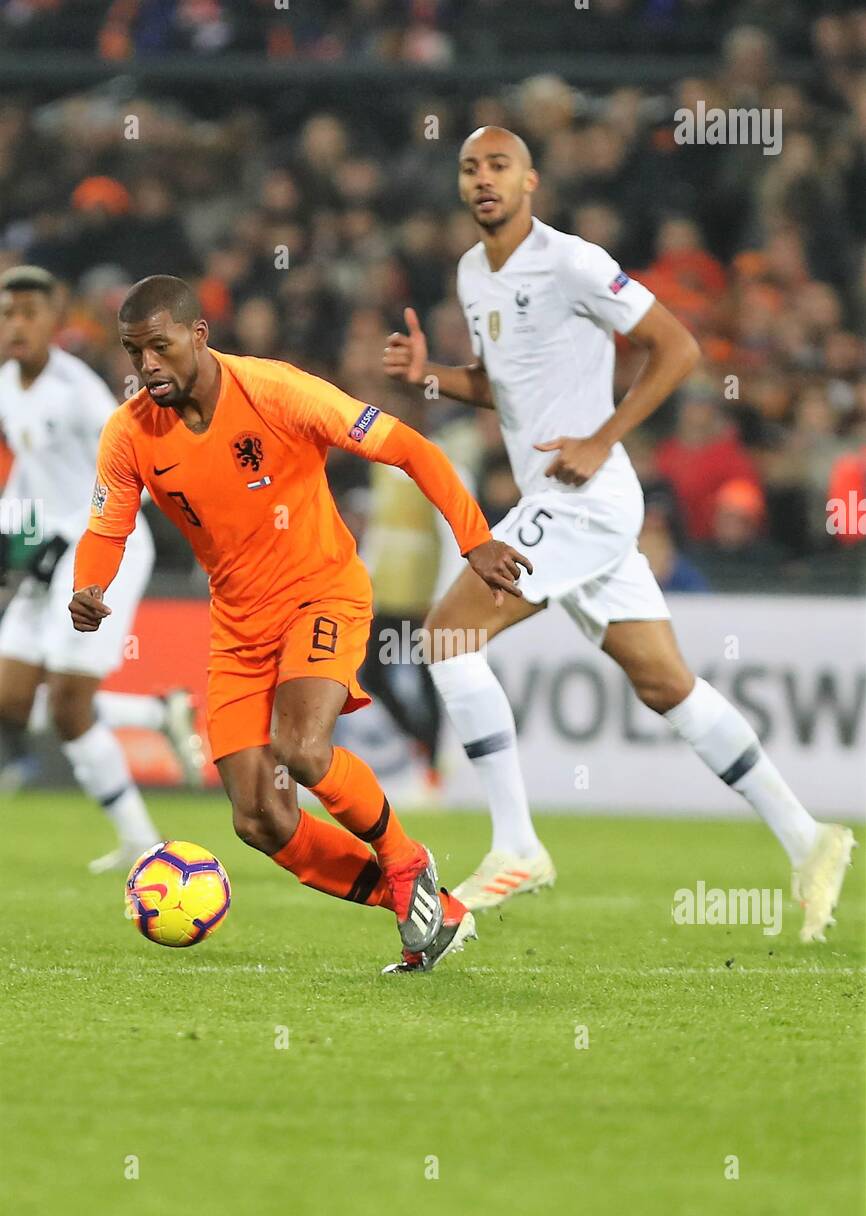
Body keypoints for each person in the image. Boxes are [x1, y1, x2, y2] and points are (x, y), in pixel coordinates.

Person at [383, 126, 854, 944]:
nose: (483, 179)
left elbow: (678, 347)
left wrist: (603, 436)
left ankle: (516, 844)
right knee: (665, 684)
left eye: (499, 165)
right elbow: (505, 390)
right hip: (560, 495)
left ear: (531, 179)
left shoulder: (572, 260)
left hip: (587, 493)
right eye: (469, 168)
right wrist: (431, 376)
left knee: (449, 634)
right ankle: (809, 839)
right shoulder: (470, 274)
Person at [69, 274, 530, 972]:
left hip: (321, 595)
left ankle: (407, 861)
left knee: (303, 750)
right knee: (260, 818)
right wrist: (88, 586)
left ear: (199, 334)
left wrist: (475, 538)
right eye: (135, 352)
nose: (147, 367)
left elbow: (409, 448)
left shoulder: (277, 391)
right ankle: (430, 909)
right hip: (238, 627)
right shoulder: (129, 431)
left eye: (159, 348)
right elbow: (107, 527)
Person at [0, 265, 201, 871]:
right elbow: (32, 475)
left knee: (67, 706)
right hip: (47, 553)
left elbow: (134, 474)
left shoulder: (81, 393)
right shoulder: (9, 384)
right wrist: (17, 538)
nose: (16, 325)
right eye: (8, 314)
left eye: (29, 314)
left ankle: (141, 840)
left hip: (105, 549)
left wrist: (77, 536)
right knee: (10, 699)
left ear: (56, 321)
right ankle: (155, 712)